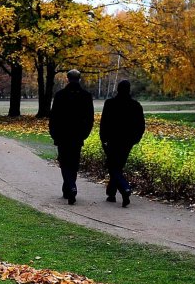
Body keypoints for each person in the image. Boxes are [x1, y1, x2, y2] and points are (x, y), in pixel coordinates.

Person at [48, 69, 94, 204]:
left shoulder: (60, 95)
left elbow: (54, 116)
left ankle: (71, 186)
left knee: (64, 162)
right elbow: (89, 118)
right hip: (77, 135)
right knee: (73, 163)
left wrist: (54, 133)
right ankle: (69, 187)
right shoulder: (86, 96)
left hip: (63, 135)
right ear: (79, 79)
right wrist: (84, 134)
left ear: (67, 79)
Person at [99, 79, 145, 207]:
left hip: (113, 140)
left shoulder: (110, 104)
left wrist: (103, 138)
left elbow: (104, 123)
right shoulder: (135, 106)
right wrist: (135, 139)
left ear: (118, 89)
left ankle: (124, 188)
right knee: (118, 166)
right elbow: (141, 125)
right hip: (127, 141)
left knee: (113, 166)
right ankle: (111, 193)